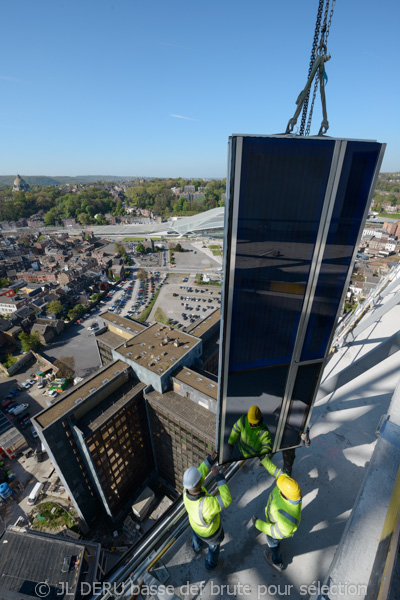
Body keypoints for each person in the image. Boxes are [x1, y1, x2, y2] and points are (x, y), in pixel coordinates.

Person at [183, 451, 232, 571]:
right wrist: (218, 477)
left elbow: (200, 472)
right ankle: (210, 565)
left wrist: (209, 461)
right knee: (214, 548)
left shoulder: (186, 492)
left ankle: (196, 548)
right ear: (200, 482)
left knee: (196, 536)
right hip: (211, 533)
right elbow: (226, 500)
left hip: (196, 525)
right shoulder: (207, 504)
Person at [251, 460, 302, 571]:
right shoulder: (290, 489)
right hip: (275, 522)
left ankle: (277, 561)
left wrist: (258, 524)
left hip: (276, 531)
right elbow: (275, 471)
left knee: (274, 544)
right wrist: (263, 458)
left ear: (285, 494)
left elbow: (273, 531)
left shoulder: (287, 521)